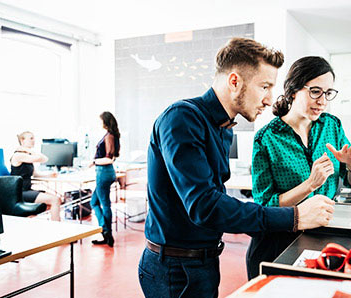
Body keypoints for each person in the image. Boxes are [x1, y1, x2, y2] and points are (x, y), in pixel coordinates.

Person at [138, 38, 335, 298]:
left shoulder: (224, 129)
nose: (269, 99)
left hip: (203, 262)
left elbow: (218, 202)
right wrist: (294, 217)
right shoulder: (181, 118)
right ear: (234, 82)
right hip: (175, 270)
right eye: (264, 86)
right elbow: (204, 206)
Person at [246, 56, 351, 279]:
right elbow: (265, 205)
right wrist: (310, 184)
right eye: (315, 91)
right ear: (293, 90)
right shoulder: (266, 138)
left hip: (324, 237)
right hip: (280, 243)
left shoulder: (331, 125)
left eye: (328, 93)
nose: (322, 101)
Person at [10, 131, 62, 221]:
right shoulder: (18, 155)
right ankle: (57, 229)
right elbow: (44, 158)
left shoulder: (27, 156)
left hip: (27, 190)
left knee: (51, 204)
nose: (33, 140)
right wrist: (28, 149)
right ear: (22, 141)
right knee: (55, 200)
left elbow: (35, 174)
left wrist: (49, 175)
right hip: (20, 192)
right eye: (30, 138)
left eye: (33, 138)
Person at [90, 111, 120, 247]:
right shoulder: (111, 136)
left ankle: (107, 232)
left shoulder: (109, 136)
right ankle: (106, 232)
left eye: (100, 120)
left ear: (105, 121)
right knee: (94, 202)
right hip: (106, 173)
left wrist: (94, 161)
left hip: (104, 173)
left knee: (105, 204)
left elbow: (109, 159)